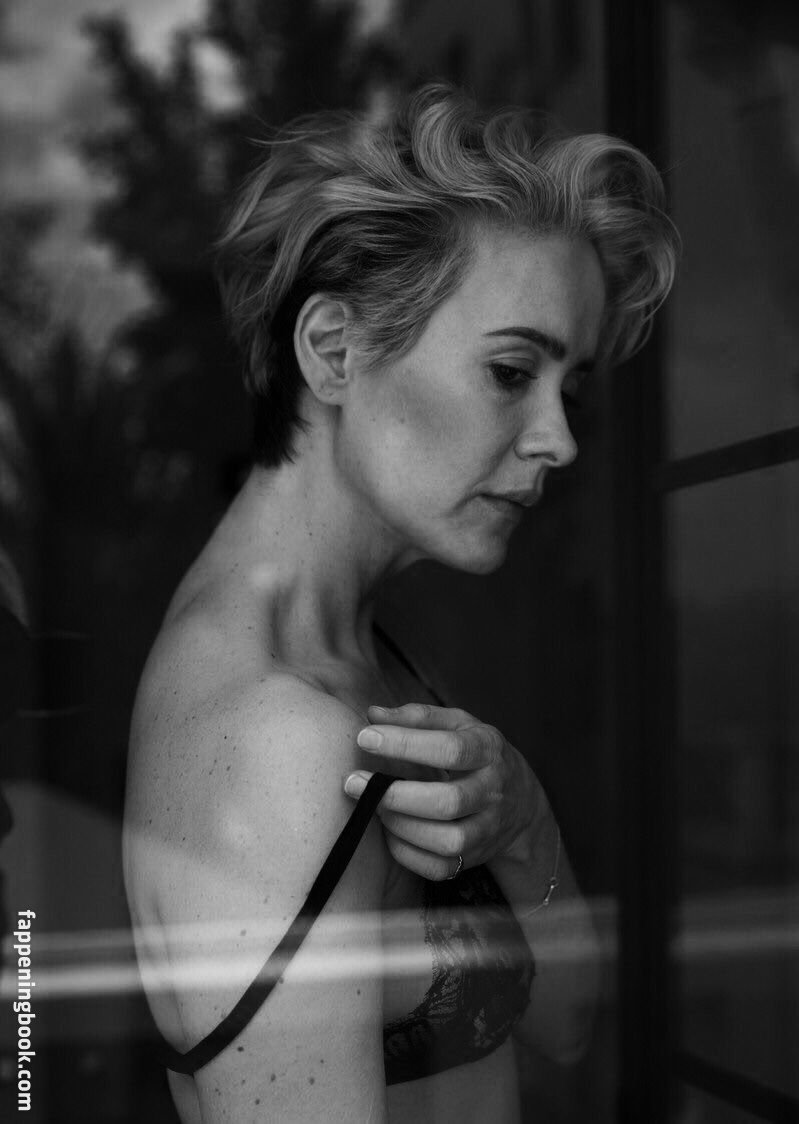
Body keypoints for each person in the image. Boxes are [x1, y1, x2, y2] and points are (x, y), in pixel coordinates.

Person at [123, 84, 677, 1123]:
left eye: (567, 388)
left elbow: (565, 1022)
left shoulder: (360, 655)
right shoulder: (274, 739)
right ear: (334, 351)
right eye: (510, 371)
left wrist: (520, 818)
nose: (559, 440)